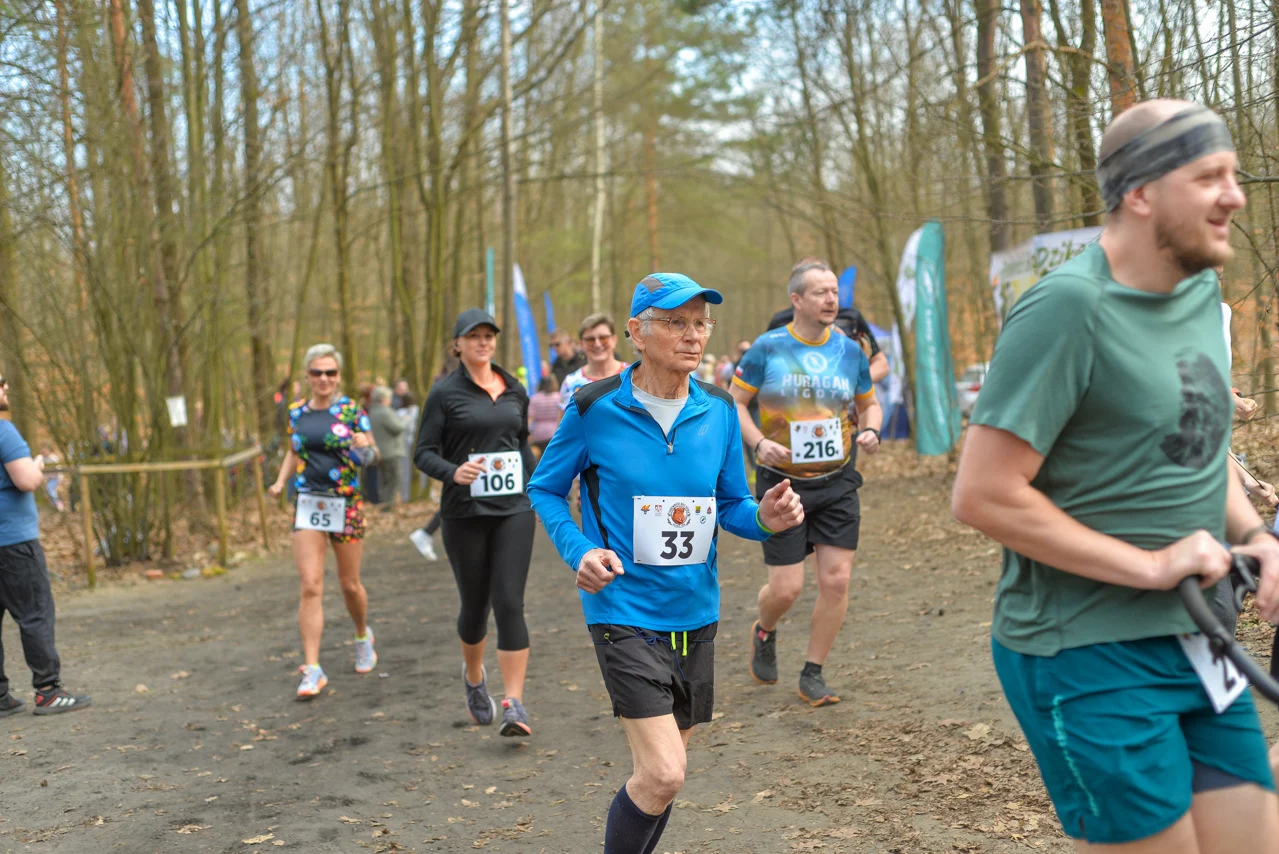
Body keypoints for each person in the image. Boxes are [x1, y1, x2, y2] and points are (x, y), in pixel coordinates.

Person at [951, 100, 1279, 852]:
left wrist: (1255, 537)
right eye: (1209, 177)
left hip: (1198, 641)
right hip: (1085, 651)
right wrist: (1151, 565)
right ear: (1139, 192)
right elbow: (983, 494)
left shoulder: (1199, 293)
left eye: (1233, 175)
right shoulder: (1066, 308)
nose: (1235, 196)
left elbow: (1198, 448)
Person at [529, 273, 804, 854]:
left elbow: (731, 504)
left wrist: (765, 519)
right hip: (622, 608)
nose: (693, 335)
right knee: (663, 774)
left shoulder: (720, 410)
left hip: (694, 612)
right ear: (637, 331)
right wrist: (581, 551)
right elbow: (546, 489)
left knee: (663, 776)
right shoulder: (593, 408)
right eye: (676, 322)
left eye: (701, 323)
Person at [731, 260, 884, 706]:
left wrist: (872, 430)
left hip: (837, 482)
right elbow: (735, 403)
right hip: (783, 485)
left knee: (836, 581)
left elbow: (869, 405)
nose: (831, 299)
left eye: (834, 291)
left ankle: (812, 672)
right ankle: (765, 629)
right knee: (786, 589)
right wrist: (759, 443)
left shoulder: (850, 352)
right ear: (796, 299)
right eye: (820, 292)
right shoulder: (767, 348)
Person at [414, 309, 538, 737]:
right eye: (474, 336)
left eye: (489, 335)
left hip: (514, 509)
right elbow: (423, 452)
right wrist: (454, 472)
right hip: (464, 512)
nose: (483, 342)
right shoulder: (444, 393)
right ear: (458, 345)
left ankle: (514, 703)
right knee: (475, 606)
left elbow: (521, 445)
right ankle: (473, 676)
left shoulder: (514, 388)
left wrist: (540, 485)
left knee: (509, 602)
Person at [267, 344, 380, 700]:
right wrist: (280, 481)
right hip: (308, 502)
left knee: (350, 585)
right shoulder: (296, 412)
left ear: (338, 376)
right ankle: (312, 668)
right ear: (307, 375)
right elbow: (293, 451)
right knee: (310, 585)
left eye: (330, 372)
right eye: (317, 372)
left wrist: (363, 445)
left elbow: (372, 455)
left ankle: (362, 636)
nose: (324, 379)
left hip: (345, 502)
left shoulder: (351, 411)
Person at [0, 374, 91, 715]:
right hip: (13, 543)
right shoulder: (4, 431)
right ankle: (48, 691)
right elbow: (25, 480)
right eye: (0, 382)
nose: (6, 387)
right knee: (35, 613)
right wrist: (37, 469)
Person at [766, 298, 890, 384]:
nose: (829, 297)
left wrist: (855, 384)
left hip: (846, 409)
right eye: (819, 291)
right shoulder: (781, 322)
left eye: (833, 291)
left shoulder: (850, 318)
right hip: (793, 408)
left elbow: (881, 364)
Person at [559, 314, 629, 410]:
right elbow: (563, 419)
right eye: (590, 340)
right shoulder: (570, 383)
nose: (597, 344)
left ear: (614, 340)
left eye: (603, 338)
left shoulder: (633, 376)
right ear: (581, 344)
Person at [369, 386, 407, 511]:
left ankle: (385, 504)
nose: (390, 400)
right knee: (394, 479)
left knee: (385, 479)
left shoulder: (372, 410)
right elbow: (397, 427)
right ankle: (387, 506)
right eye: (389, 397)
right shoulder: (384, 412)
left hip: (380, 452)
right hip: (390, 452)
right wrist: (406, 420)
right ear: (383, 398)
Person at [528, 375, 562, 459]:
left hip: (538, 434)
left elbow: (530, 418)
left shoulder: (535, 398)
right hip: (554, 432)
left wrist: (527, 434)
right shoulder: (559, 397)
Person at [38, 444, 65, 513]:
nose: (44, 451)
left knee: (50, 489)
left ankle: (59, 504)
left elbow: (58, 468)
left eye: (45, 450)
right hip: (49, 478)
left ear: (49, 450)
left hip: (56, 478)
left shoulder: (53, 458)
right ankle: (54, 505)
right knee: (50, 491)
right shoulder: (43, 458)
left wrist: (59, 477)